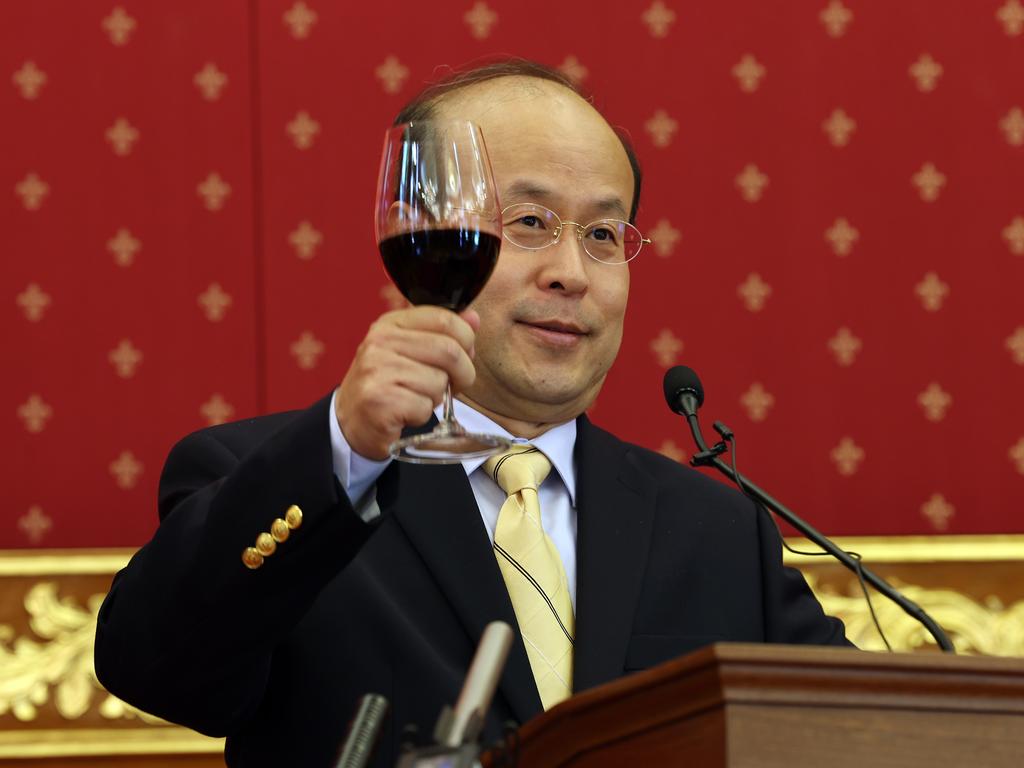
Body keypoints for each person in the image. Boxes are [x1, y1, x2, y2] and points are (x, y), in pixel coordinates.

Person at [95, 59, 850, 768]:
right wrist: (345, 451)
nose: (569, 273)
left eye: (600, 235)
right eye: (528, 223)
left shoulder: (716, 531)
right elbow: (156, 669)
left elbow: (860, 731)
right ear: (423, 232)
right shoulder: (289, 481)